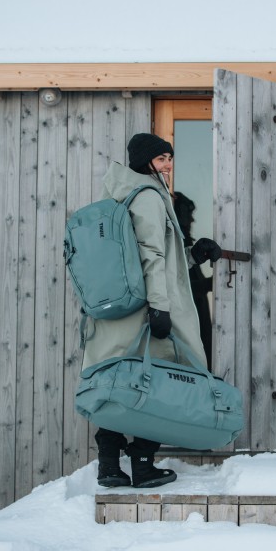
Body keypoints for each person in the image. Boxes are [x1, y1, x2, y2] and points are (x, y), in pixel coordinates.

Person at [83, 133, 222, 488]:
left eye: (170, 158)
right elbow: (152, 256)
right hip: (149, 308)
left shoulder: (118, 192)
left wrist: (193, 255)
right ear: (145, 162)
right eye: (161, 159)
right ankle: (143, 466)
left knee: (118, 384)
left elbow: (147, 258)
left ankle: (109, 466)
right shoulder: (148, 196)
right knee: (160, 385)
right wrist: (160, 308)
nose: (168, 165)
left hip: (120, 309)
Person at [173, 191, 214, 368]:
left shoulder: (186, 247)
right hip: (187, 326)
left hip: (198, 321)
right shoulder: (175, 247)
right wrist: (208, 284)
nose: (192, 220)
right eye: (188, 214)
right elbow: (176, 286)